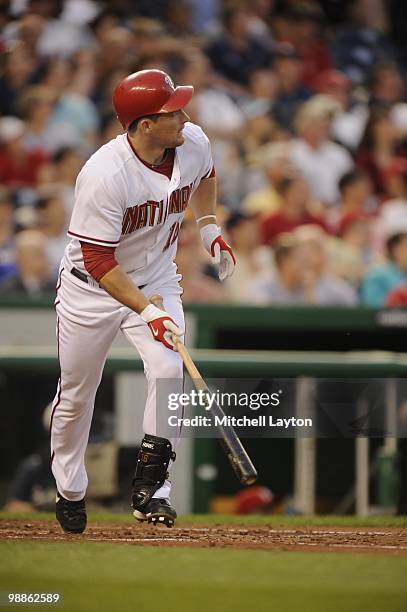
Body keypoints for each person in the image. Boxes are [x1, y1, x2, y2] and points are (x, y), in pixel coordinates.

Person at [50, 69, 235, 534]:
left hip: (157, 276)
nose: (185, 116)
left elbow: (205, 175)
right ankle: (70, 488)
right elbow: (96, 258)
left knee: (170, 370)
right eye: (172, 111)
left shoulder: (190, 140)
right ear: (144, 125)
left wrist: (209, 225)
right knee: (76, 394)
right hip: (91, 289)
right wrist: (147, 312)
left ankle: (153, 488)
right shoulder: (104, 173)